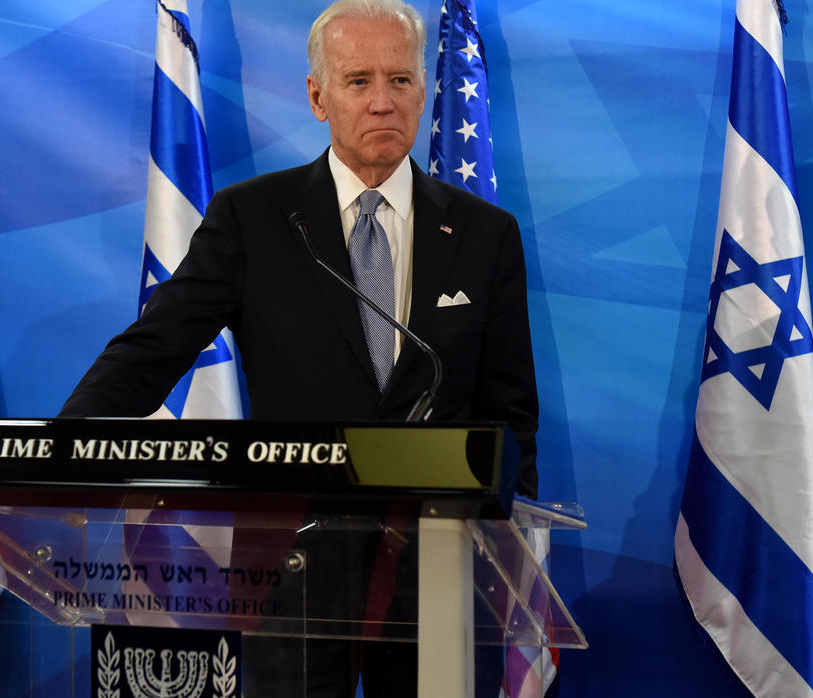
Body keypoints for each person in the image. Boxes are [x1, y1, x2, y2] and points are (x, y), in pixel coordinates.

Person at [61, 1, 538, 694]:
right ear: (317, 97)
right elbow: (150, 353)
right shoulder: (254, 220)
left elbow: (511, 409)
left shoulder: (483, 234)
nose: (383, 102)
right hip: (294, 565)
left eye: (401, 81)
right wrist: (57, 454)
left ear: (425, 92)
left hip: (436, 568)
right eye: (358, 82)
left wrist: (506, 552)